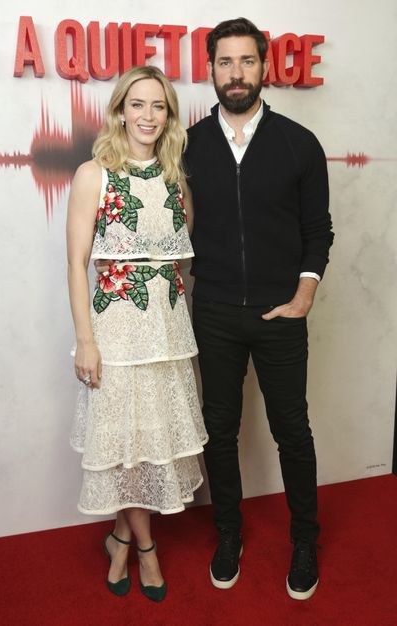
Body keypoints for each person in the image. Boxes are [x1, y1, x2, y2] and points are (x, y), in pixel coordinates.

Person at [184, 18, 334, 599]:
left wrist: (303, 297)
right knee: (219, 432)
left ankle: (305, 541)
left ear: (264, 67)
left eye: (247, 61)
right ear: (211, 70)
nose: (236, 73)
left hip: (280, 315)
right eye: (225, 63)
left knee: (291, 431)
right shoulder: (191, 143)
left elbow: (316, 231)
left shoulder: (300, 143)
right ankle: (229, 533)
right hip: (215, 311)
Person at [66, 65, 207, 602]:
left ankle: (120, 536)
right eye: (138, 104)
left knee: (149, 443)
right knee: (123, 443)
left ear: (169, 116)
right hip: (116, 332)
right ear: (121, 110)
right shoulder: (93, 174)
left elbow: (176, 257)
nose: (148, 116)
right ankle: (145, 549)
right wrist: (86, 338)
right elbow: (77, 262)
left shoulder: (175, 178)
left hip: (168, 332)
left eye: (159, 107)